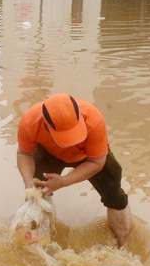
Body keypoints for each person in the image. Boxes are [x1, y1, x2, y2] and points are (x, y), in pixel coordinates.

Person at [16, 94, 132, 246]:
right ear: (45, 125)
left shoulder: (94, 120)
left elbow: (96, 163)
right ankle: (38, 245)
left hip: (87, 155)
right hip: (49, 151)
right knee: (36, 194)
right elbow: (24, 153)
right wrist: (28, 183)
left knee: (114, 194)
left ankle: (123, 244)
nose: (69, 143)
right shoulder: (30, 122)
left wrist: (64, 181)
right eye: (64, 137)